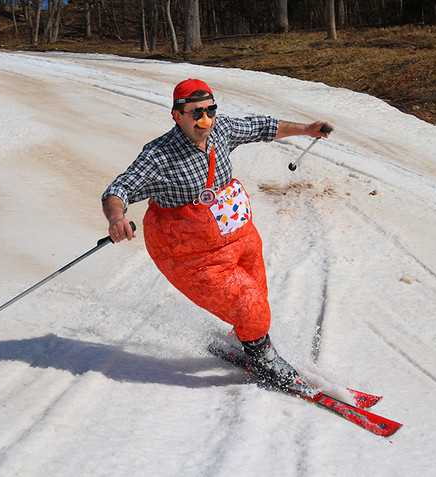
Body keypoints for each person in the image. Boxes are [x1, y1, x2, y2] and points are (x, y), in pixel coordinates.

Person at [102, 78, 332, 388]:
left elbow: (262, 127)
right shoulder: (160, 156)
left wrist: (307, 129)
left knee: (257, 299)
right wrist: (117, 217)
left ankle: (248, 337)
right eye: (196, 113)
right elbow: (119, 189)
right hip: (192, 256)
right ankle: (261, 356)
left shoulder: (220, 130)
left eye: (210, 110)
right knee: (250, 303)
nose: (205, 120)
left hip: (238, 235)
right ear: (177, 115)